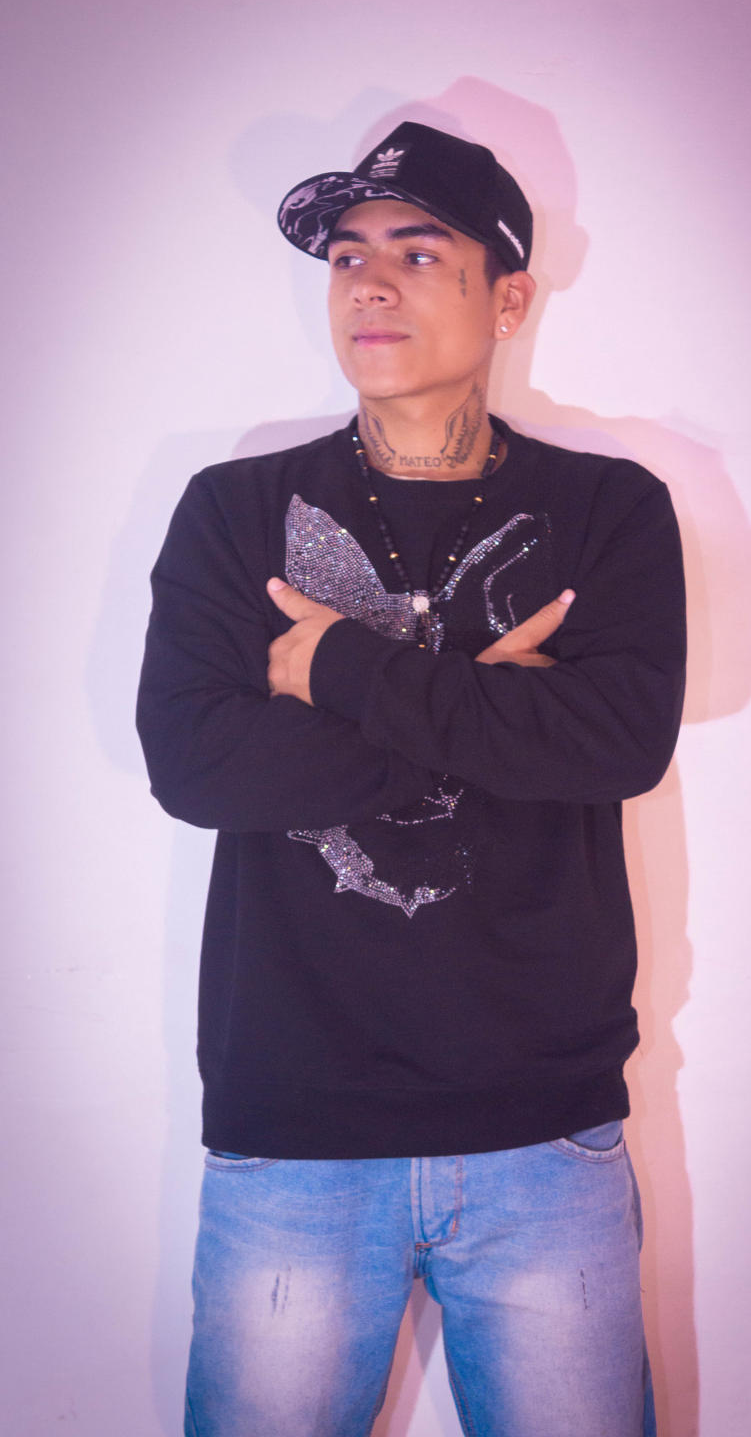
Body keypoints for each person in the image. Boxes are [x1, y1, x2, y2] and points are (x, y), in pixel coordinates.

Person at [137, 120, 685, 1437]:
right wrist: (488, 697)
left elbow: (618, 743)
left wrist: (335, 668)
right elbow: (199, 766)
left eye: (419, 252)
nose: (369, 284)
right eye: (347, 256)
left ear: (510, 298)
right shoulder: (234, 510)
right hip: (293, 1133)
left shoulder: (609, 511)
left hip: (545, 1135)